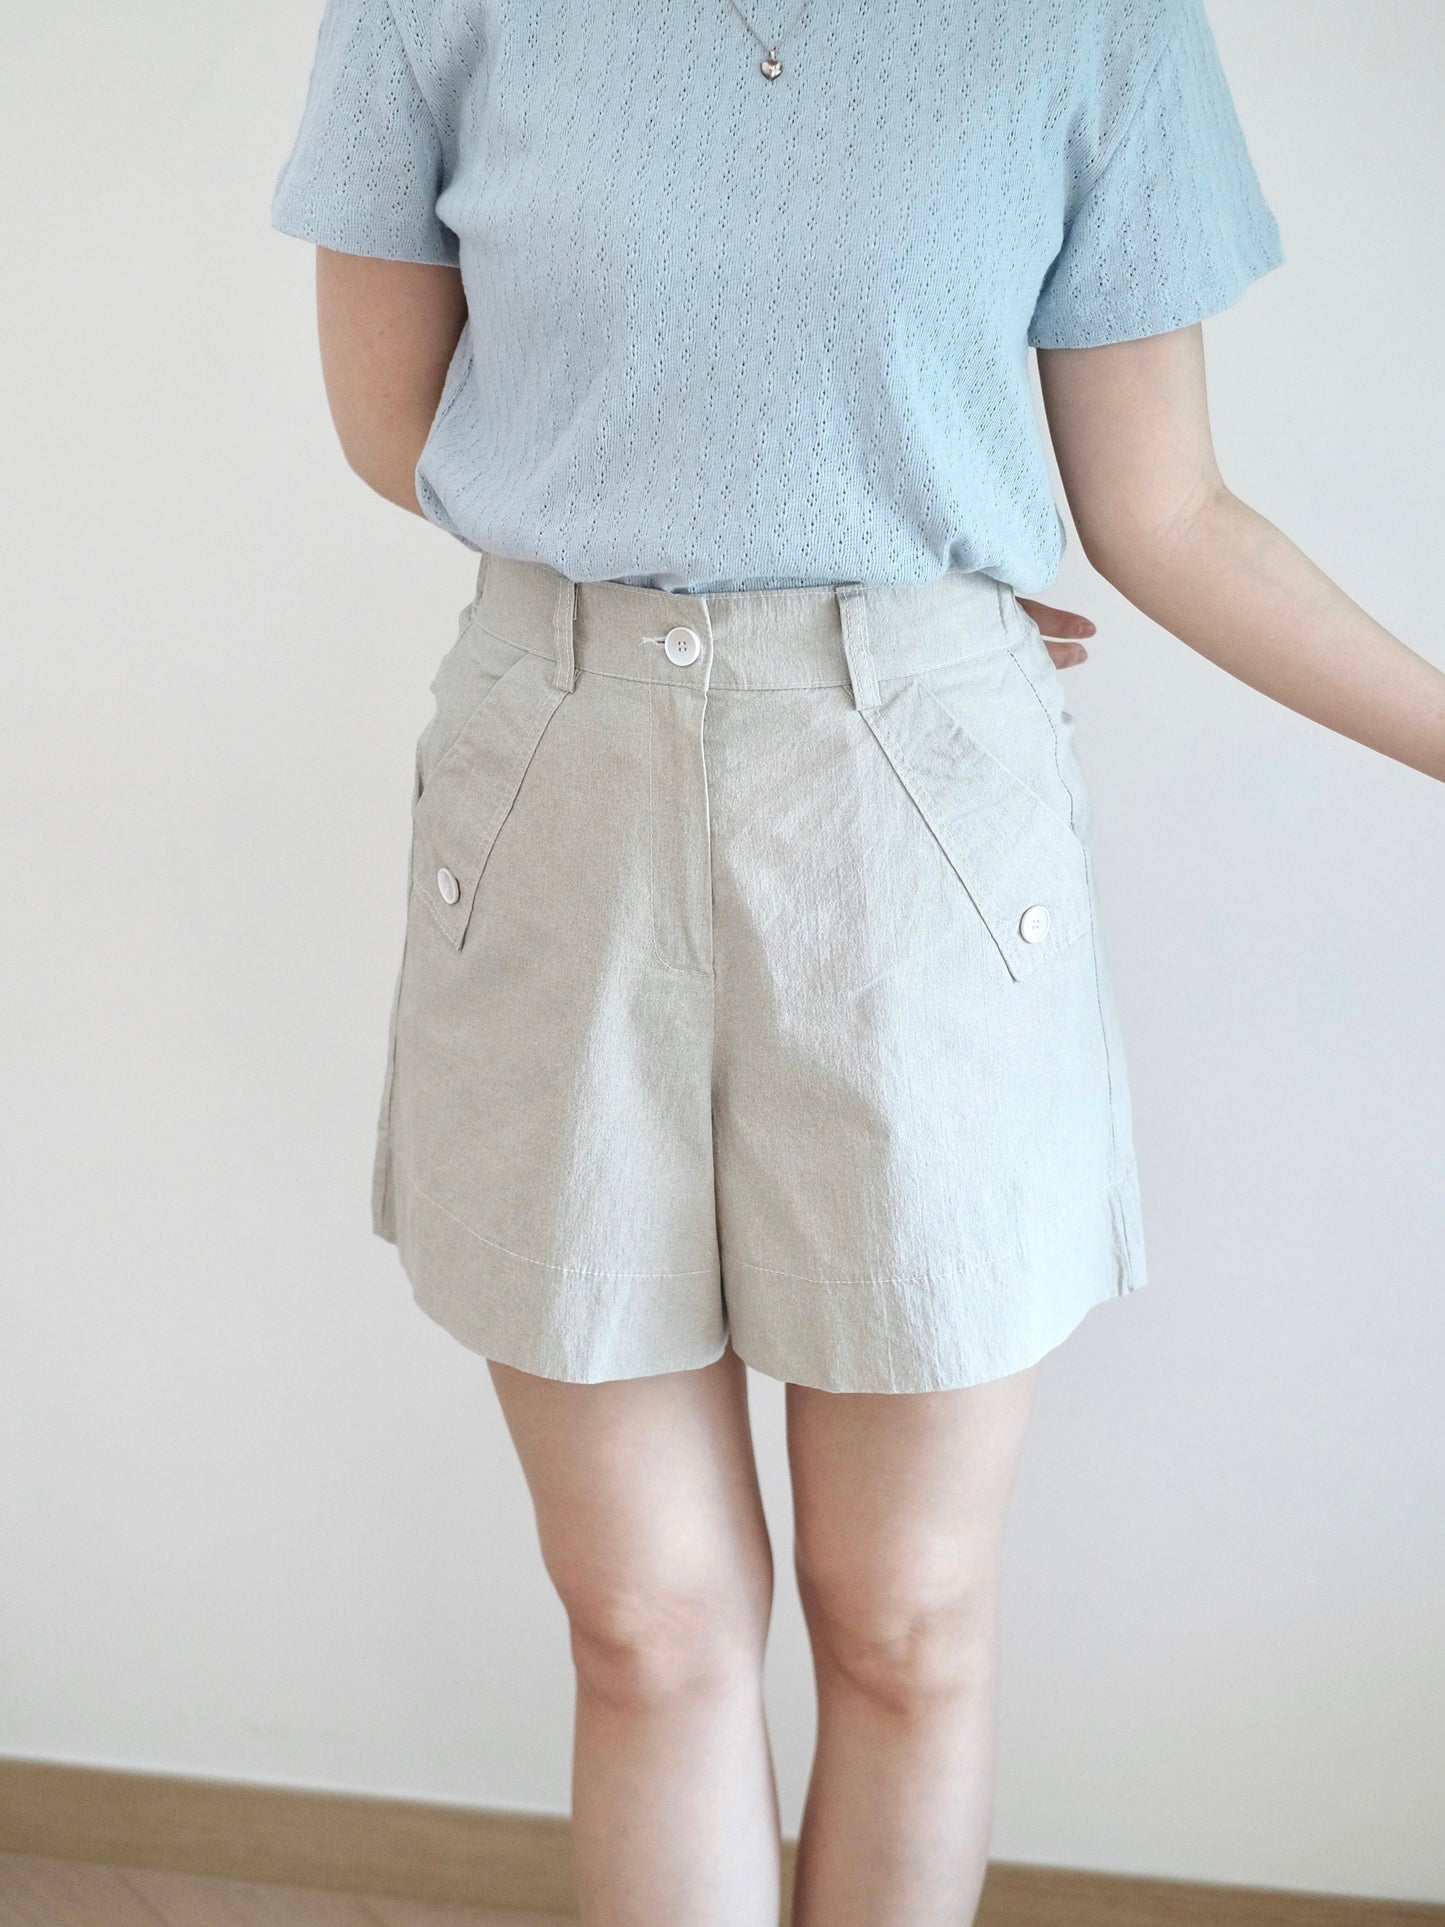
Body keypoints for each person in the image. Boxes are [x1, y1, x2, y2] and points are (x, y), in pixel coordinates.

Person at [270, 1, 1445, 1919]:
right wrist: (768, 572)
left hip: (921, 835)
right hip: (557, 792)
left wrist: (885, 619)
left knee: (902, 1617)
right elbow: (394, 425)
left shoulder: (1090, 27)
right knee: (644, 1621)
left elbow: (1163, 509)